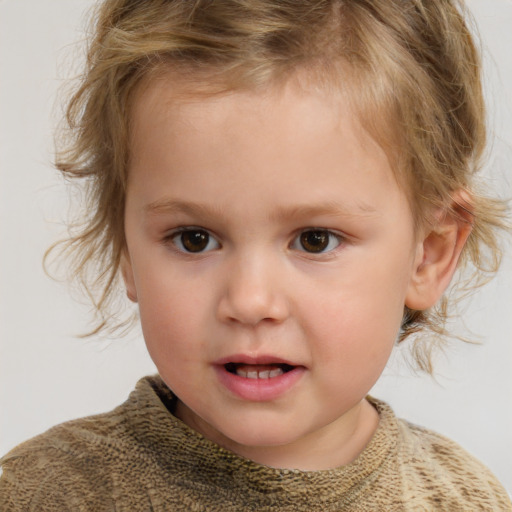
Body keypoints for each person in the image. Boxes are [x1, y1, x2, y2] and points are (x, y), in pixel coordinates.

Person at [1, 0, 511, 510]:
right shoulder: (39, 494)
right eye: (194, 238)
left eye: (315, 240)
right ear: (126, 249)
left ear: (428, 255)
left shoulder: (465, 500)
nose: (249, 301)